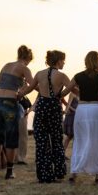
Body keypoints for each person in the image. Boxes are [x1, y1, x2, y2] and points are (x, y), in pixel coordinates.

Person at [58, 51, 98, 185]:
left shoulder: (78, 76)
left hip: (82, 110)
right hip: (96, 108)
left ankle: (74, 174)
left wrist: (77, 92)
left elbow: (65, 91)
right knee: (97, 141)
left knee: (80, 140)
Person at [19, 50, 71, 184]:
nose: (64, 63)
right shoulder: (62, 76)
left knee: (42, 142)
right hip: (54, 106)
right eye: (63, 60)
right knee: (56, 140)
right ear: (58, 61)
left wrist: (18, 95)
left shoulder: (39, 74)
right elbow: (73, 88)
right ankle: (58, 173)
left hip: (42, 106)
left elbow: (30, 89)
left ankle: (44, 175)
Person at [0, 45, 34, 180]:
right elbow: (33, 84)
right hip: (10, 103)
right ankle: (9, 172)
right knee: (11, 139)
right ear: (28, 58)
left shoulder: (6, 66)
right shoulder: (24, 68)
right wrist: (21, 93)